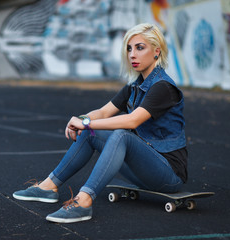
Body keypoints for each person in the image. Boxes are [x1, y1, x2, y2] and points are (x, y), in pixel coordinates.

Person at [13, 23, 188, 223]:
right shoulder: (134, 87)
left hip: (168, 175)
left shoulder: (163, 87)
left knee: (122, 135)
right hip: (144, 171)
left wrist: (86, 124)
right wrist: (82, 120)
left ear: (156, 51)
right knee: (91, 132)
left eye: (140, 48)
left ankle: (83, 202)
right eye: (129, 48)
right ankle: (48, 187)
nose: (132, 54)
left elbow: (133, 119)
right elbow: (104, 112)